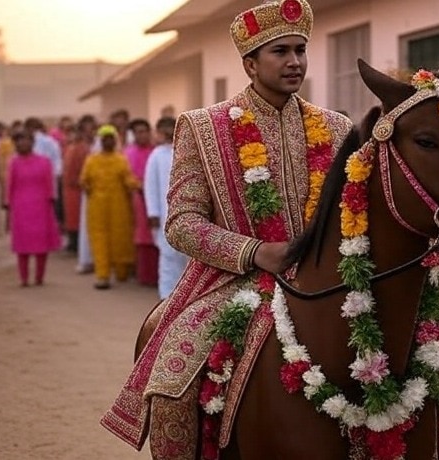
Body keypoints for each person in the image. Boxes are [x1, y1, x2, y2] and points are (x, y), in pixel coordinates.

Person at [100, 1, 352, 457]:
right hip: (234, 281)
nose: (295, 61)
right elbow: (182, 224)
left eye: (300, 50)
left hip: (326, 282)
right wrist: (257, 252)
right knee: (171, 380)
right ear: (250, 64)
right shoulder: (203, 128)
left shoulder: (337, 129)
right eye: (280, 52)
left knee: (434, 367)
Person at [79, 124, 139, 289]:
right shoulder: (91, 161)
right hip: (97, 208)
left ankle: (121, 271)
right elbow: (83, 180)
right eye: (105, 139)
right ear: (100, 141)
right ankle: (102, 275)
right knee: (99, 239)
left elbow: (128, 179)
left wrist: (138, 185)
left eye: (111, 139)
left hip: (119, 207)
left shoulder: (121, 160)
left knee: (120, 238)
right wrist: (88, 188)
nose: (108, 142)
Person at [5, 131, 62, 286]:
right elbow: (10, 185)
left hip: (41, 206)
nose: (22, 144)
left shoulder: (45, 162)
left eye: (26, 140)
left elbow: (50, 185)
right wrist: (9, 204)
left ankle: (39, 277)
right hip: (20, 207)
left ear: (32, 142)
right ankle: (23, 278)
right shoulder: (14, 163)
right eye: (19, 141)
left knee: (41, 244)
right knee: (22, 244)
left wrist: (51, 202)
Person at [143, 116, 188, 299]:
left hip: (188, 214)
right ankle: (166, 298)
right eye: (166, 130)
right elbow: (150, 186)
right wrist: (152, 213)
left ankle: (185, 298)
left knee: (189, 259)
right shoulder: (156, 155)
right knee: (168, 258)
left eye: (172, 128)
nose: (169, 133)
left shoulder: (186, 151)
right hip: (164, 214)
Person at [125, 118, 159, 286]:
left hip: (157, 196)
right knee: (141, 234)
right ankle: (142, 274)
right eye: (138, 132)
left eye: (145, 131)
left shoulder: (156, 151)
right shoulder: (128, 153)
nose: (142, 135)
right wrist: (138, 185)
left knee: (157, 234)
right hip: (137, 198)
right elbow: (127, 175)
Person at [62, 115, 95, 253]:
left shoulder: (81, 147)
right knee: (76, 218)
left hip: (79, 187)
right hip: (76, 188)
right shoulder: (78, 148)